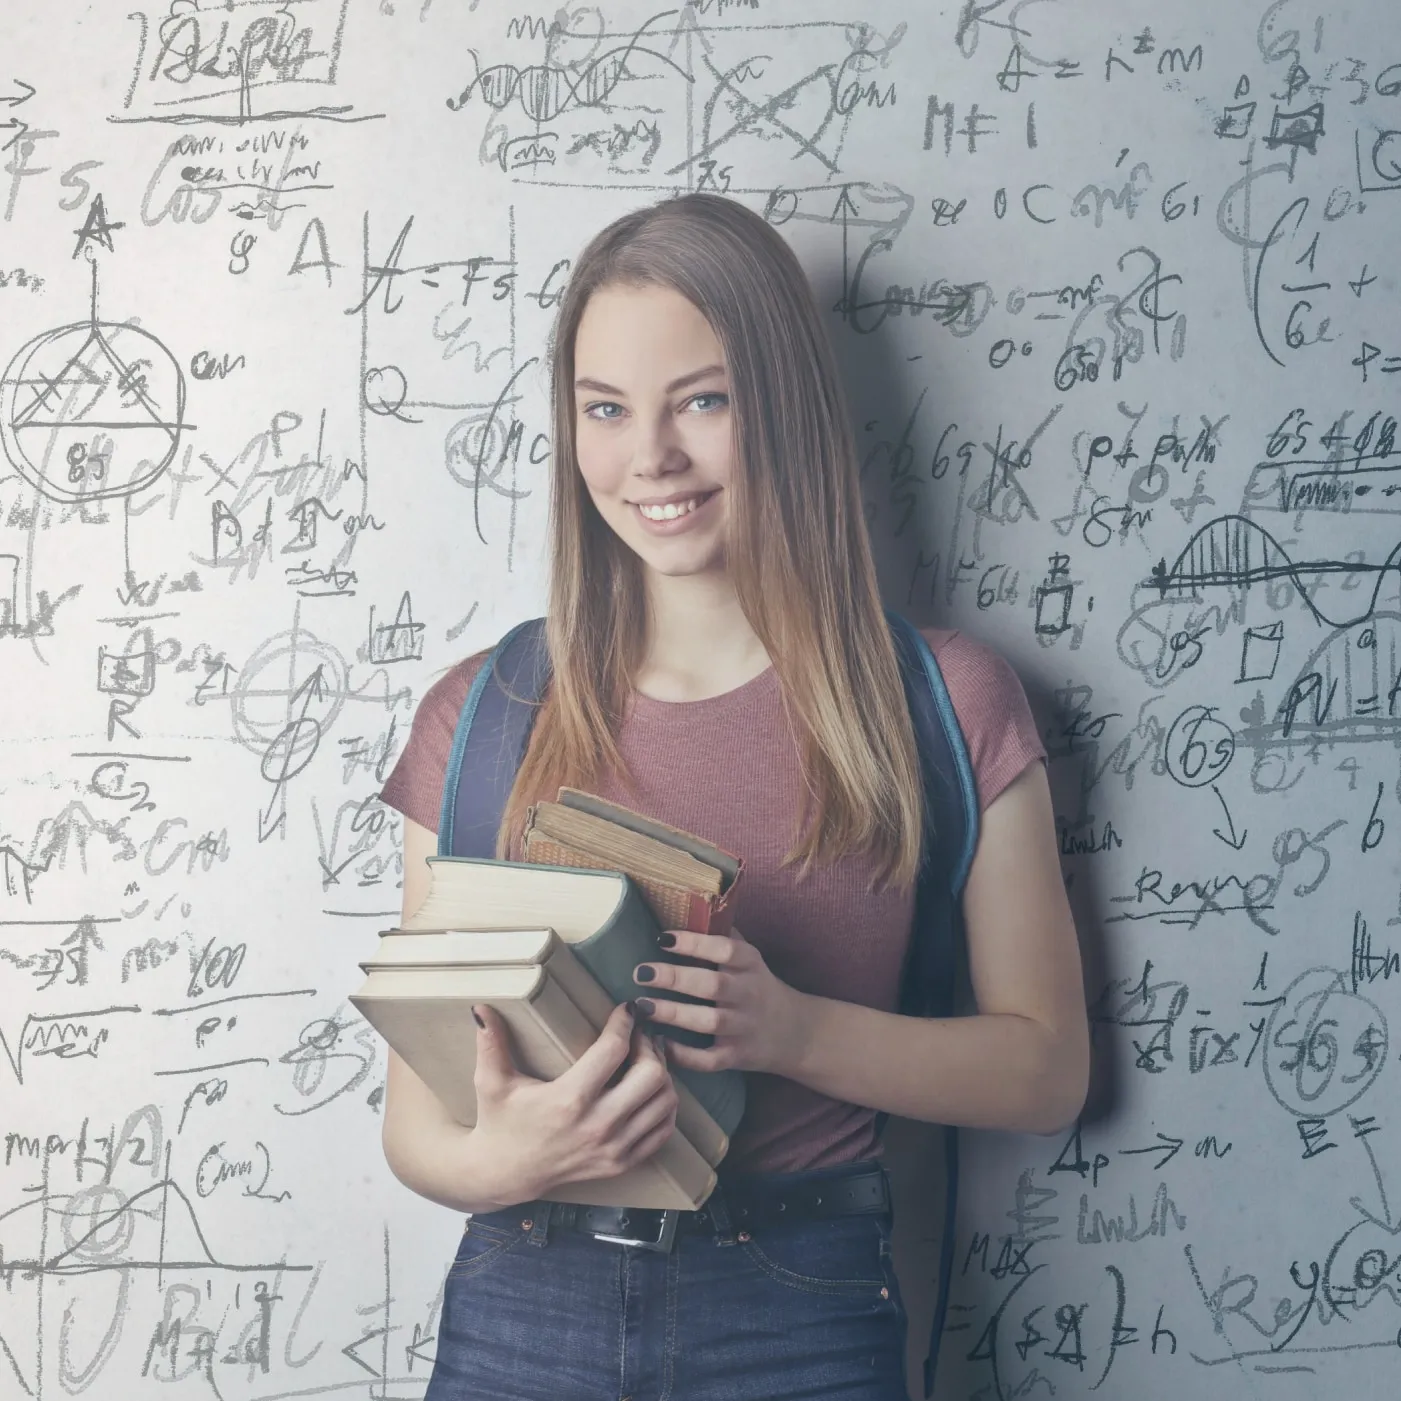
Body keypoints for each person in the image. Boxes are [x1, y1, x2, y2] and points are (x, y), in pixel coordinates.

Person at [375, 191, 1089, 1401]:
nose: (649, 457)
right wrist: (509, 1158)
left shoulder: (947, 705)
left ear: (785, 410)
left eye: (701, 401)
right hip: (520, 1302)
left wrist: (798, 1033)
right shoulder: (481, 715)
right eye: (606, 410)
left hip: (799, 1314)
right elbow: (413, 1129)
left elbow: (1047, 1074)